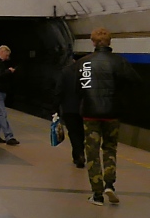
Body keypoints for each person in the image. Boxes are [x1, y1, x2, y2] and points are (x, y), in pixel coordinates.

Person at [79, 27, 141, 206]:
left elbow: (79, 87)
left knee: (92, 152)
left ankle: (97, 194)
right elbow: (136, 82)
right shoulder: (119, 62)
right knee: (110, 148)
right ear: (110, 42)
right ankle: (109, 185)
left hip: (90, 114)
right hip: (112, 113)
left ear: (92, 42)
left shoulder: (84, 63)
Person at [54, 52, 85, 168]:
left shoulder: (66, 71)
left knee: (73, 132)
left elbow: (59, 90)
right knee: (82, 132)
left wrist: (55, 107)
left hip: (69, 108)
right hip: (85, 107)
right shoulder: (88, 72)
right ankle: (78, 153)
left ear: (73, 60)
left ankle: (78, 155)